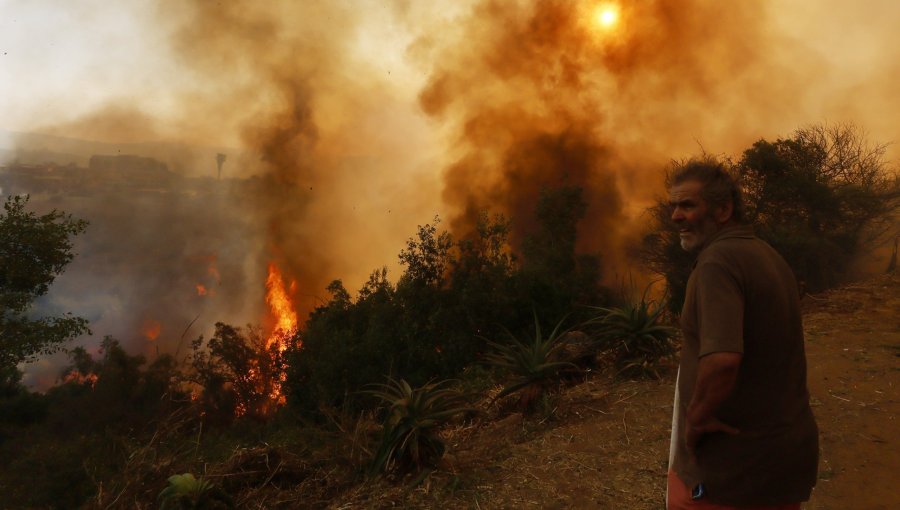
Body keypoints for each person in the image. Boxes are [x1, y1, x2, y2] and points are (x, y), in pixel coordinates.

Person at [665, 158, 819, 509]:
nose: (676, 216)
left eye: (687, 205)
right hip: (783, 457)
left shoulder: (718, 263)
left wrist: (696, 420)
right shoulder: (766, 254)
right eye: (674, 206)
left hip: (732, 470)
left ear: (723, 209)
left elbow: (722, 360)